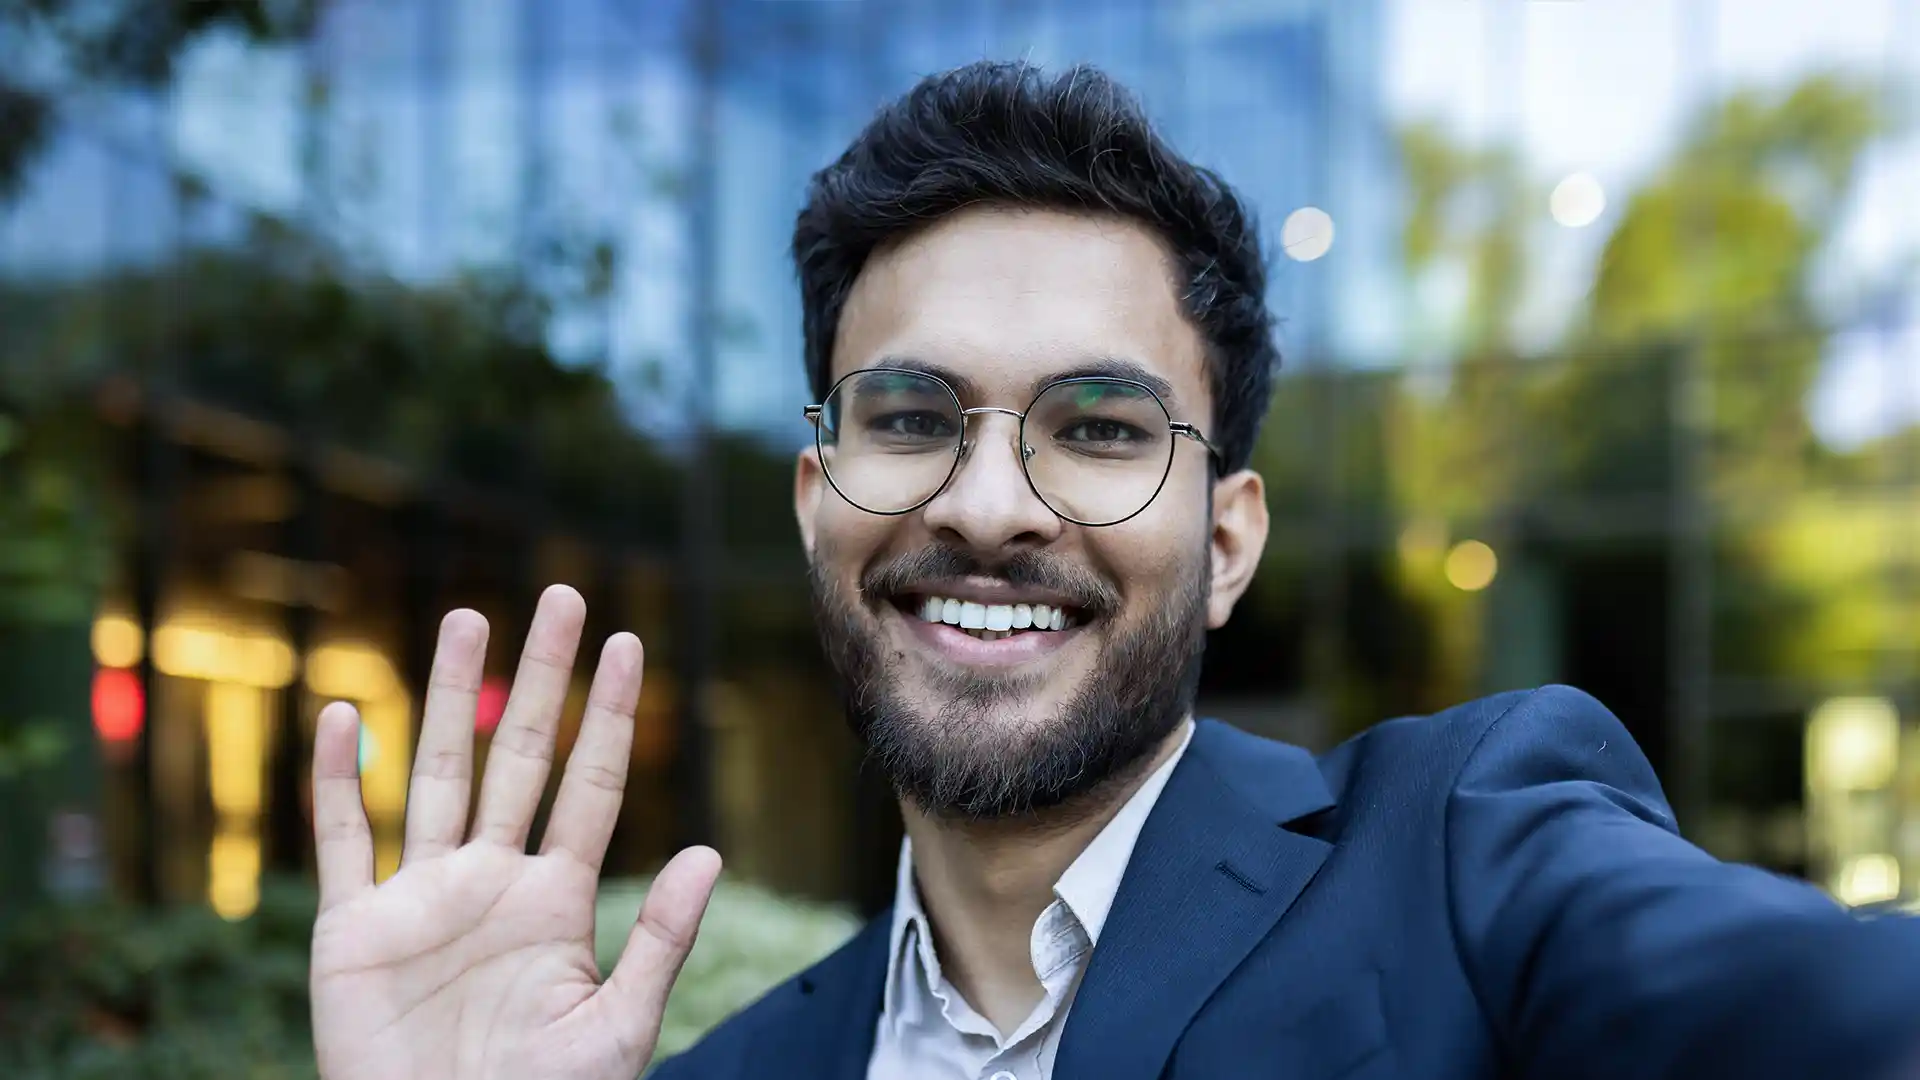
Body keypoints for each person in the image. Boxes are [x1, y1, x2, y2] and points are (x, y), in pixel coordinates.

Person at [307, 61, 1920, 1080]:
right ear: (818, 503)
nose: (992, 505)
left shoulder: (1471, 863)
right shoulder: (715, 1071)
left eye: (1097, 429)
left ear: (1227, 540)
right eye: (913, 414)